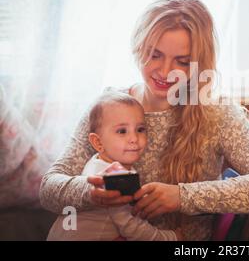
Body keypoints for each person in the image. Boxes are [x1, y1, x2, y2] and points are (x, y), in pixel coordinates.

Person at [40, 0, 249, 240]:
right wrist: (91, 192)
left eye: (182, 61)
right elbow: (49, 189)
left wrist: (182, 196)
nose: (165, 72)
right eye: (155, 55)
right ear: (139, 47)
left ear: (198, 63)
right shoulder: (110, 107)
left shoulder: (215, 113)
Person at [46, 92, 181, 240]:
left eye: (140, 129)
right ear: (98, 142)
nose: (134, 139)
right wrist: (171, 238)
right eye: (122, 131)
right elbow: (132, 228)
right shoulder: (115, 176)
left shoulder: (96, 162)